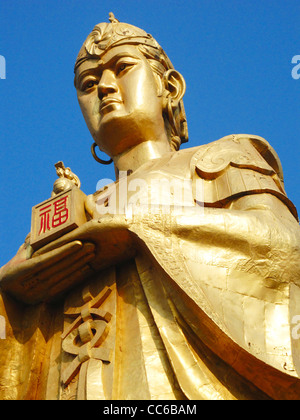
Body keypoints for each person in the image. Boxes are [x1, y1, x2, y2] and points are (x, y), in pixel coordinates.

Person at [1, 13, 300, 400]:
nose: (106, 87)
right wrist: (11, 289)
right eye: (88, 84)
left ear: (169, 87)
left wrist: (142, 229)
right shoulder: (74, 213)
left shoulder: (221, 158)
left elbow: (285, 250)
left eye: (122, 68)